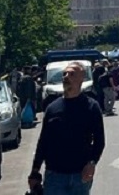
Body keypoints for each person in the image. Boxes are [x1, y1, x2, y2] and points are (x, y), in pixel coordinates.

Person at [31, 62, 105, 195]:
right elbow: (43, 141)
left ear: (81, 78)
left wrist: (92, 163)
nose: (66, 77)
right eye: (64, 74)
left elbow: (99, 140)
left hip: (80, 175)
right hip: (54, 175)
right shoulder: (52, 108)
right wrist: (35, 170)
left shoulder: (91, 107)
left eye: (71, 74)